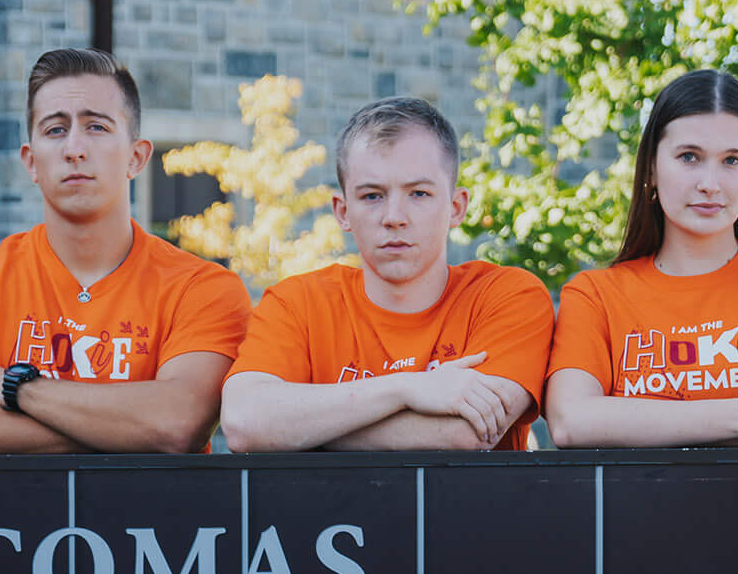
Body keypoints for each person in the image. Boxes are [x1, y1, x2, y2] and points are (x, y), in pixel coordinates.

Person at [0, 49, 249, 453]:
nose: (74, 149)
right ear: (30, 162)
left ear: (137, 157)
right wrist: (115, 434)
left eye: (96, 127)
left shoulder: (202, 289)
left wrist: (19, 389)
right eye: (55, 130)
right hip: (2, 518)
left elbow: (178, 421)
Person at [544, 69, 738, 448]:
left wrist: (628, 420)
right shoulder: (596, 296)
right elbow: (570, 421)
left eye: (731, 160)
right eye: (689, 157)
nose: (710, 183)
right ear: (651, 167)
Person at [219, 97, 550, 452]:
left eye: (419, 193)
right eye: (373, 196)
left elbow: (465, 435)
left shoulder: (508, 296)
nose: (394, 216)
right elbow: (245, 423)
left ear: (456, 208)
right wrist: (408, 388)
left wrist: (299, 432)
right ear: (343, 212)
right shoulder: (297, 304)